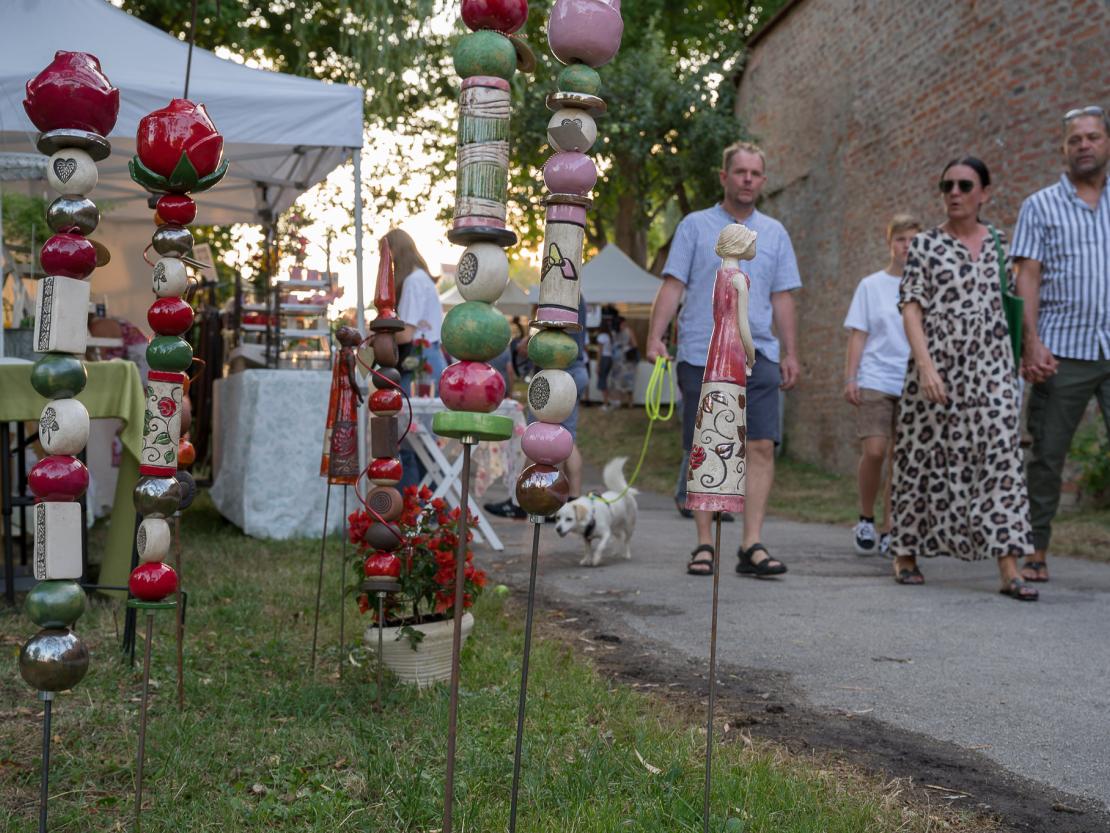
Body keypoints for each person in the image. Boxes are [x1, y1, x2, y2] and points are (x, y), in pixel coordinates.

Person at [647, 140, 801, 576]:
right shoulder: (695, 226)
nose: (747, 179)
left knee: (761, 445)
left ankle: (750, 544)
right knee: (708, 445)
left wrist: (791, 352)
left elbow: (783, 296)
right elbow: (674, 285)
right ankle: (703, 543)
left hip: (761, 354)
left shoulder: (775, 233)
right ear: (724, 177)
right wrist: (657, 336)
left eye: (755, 173)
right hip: (702, 352)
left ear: (763, 181)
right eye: (740, 172)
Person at [890, 156, 1037, 601]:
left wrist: (1030, 348)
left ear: (984, 193)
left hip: (991, 369)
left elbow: (1014, 304)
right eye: (947, 185)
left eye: (965, 185)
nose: (954, 192)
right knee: (920, 459)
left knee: (1000, 458)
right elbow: (910, 307)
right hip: (935, 369)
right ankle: (905, 552)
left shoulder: (999, 243)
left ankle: (1010, 566)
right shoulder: (926, 245)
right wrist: (927, 367)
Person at [1011, 106, 1110, 584]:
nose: (1084, 145)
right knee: (1048, 455)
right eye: (1076, 140)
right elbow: (1026, 277)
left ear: (1106, 142)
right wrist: (1031, 343)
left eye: (1092, 137)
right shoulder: (1041, 205)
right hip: (1062, 352)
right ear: (1064, 149)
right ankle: (1035, 548)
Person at [842, 214, 921, 556]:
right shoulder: (870, 285)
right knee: (874, 451)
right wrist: (851, 377)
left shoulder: (925, 286)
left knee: (900, 458)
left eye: (913, 241)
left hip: (914, 381)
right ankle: (865, 518)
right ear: (890, 243)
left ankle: (891, 528)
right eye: (901, 239)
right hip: (875, 378)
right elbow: (858, 334)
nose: (907, 246)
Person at [485, 296, 589, 519]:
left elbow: (550, 341)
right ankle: (574, 500)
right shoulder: (578, 296)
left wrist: (529, 345)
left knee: (536, 435)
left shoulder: (559, 295)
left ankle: (522, 501)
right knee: (568, 436)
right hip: (575, 371)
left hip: (559, 375)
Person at [387, 228, 446, 392]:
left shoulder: (413, 282)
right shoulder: (421, 278)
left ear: (395, 250)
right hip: (428, 354)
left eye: (385, 253)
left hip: (419, 358)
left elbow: (406, 334)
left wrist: (377, 336)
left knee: (414, 413)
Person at [609, 316, 639, 409]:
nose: (624, 325)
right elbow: (635, 344)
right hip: (622, 361)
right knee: (623, 381)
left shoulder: (615, 332)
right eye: (623, 323)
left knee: (624, 381)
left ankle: (624, 402)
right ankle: (625, 402)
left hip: (623, 360)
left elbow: (634, 345)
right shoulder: (625, 331)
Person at [596, 320, 614, 408]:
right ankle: (607, 401)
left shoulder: (601, 336)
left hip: (604, 359)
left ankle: (605, 403)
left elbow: (599, 352)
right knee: (605, 380)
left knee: (602, 380)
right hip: (610, 359)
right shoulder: (609, 336)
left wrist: (598, 365)